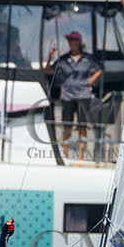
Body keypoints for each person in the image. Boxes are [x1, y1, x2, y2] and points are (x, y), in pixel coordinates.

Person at [45, 30, 103, 161]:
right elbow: (48, 71)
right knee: (67, 126)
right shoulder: (63, 59)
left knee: (82, 126)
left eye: (73, 40)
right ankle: (65, 154)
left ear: (79, 42)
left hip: (84, 96)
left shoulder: (88, 59)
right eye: (69, 40)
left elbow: (100, 69)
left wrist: (91, 80)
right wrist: (50, 58)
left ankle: (81, 156)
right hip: (67, 97)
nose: (71, 43)